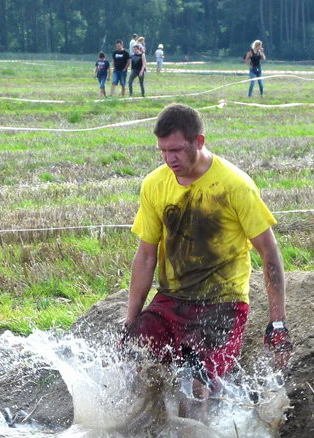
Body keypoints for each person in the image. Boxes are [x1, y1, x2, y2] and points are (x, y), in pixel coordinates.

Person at [122, 103, 291, 419]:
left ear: (199, 142)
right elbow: (146, 257)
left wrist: (277, 322)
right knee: (132, 355)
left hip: (223, 305)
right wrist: (130, 322)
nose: (170, 159)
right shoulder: (154, 185)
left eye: (177, 150)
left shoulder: (235, 185)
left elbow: (270, 254)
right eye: (163, 151)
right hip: (172, 301)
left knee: (199, 385)